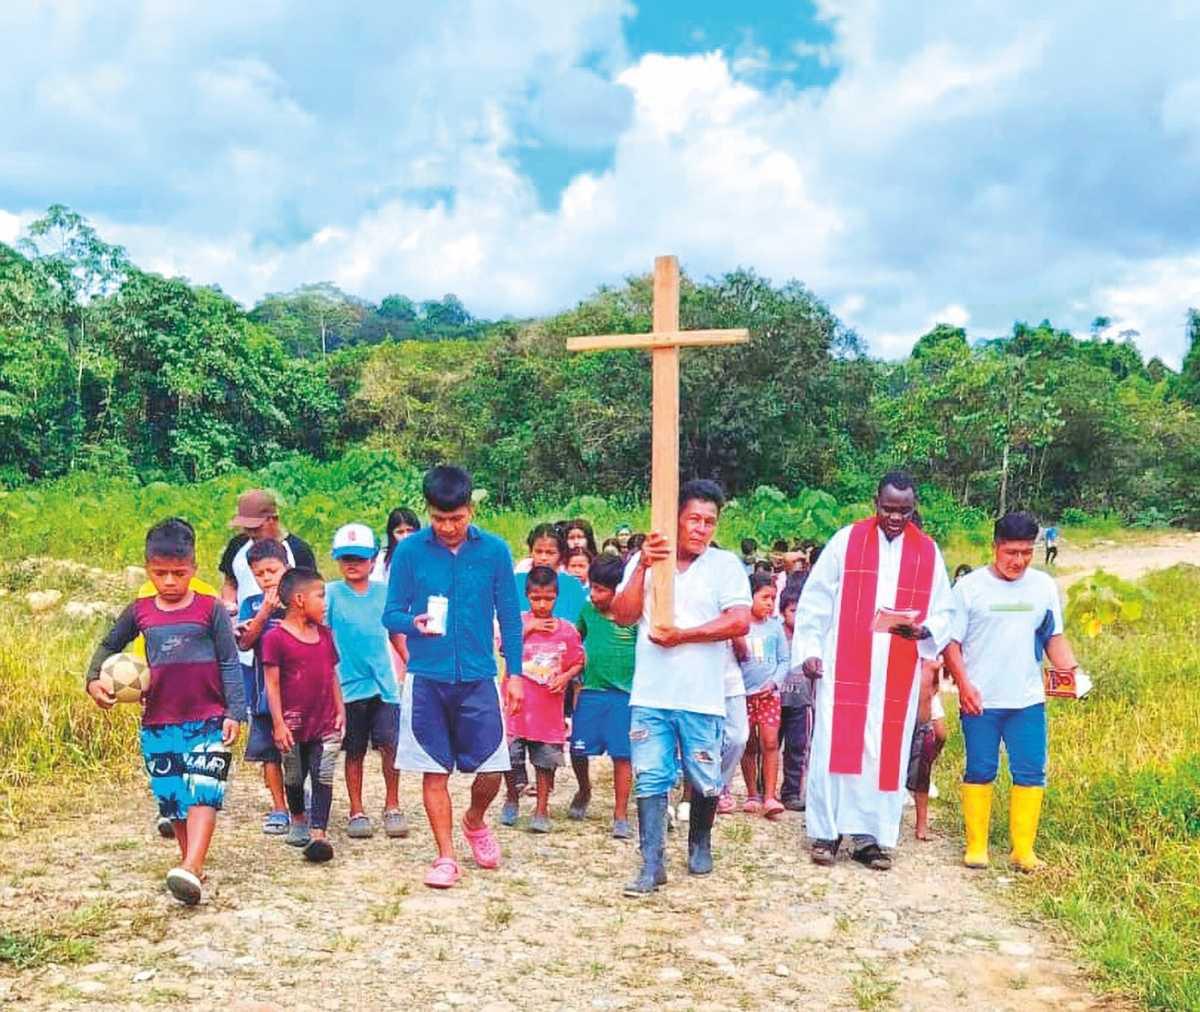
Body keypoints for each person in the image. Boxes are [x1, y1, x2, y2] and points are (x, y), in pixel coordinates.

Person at [793, 471, 956, 871]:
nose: (896, 517)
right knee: (835, 748)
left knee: (884, 754)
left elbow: (944, 610)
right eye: (889, 509)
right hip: (844, 664)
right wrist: (811, 650)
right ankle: (827, 834)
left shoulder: (927, 552)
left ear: (914, 508)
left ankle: (872, 838)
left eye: (904, 510)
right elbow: (816, 599)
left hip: (894, 672)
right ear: (875, 502)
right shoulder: (847, 542)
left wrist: (925, 631)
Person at [85, 519, 243, 906]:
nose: (170, 581)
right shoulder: (139, 612)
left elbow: (229, 661)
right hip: (158, 722)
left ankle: (191, 865)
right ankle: (190, 867)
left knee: (205, 792)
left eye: (179, 573)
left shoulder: (211, 610)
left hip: (208, 717)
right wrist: (93, 680)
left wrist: (235, 710)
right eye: (160, 573)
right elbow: (109, 644)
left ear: (194, 567)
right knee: (173, 800)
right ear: (147, 569)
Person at [383, 465, 524, 889]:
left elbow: (510, 618)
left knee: (493, 770)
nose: (448, 527)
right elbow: (390, 614)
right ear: (429, 512)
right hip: (427, 677)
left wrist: (513, 673)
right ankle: (445, 856)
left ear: (470, 510)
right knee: (433, 770)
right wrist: (413, 622)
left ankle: (475, 820)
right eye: (439, 519)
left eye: (457, 518)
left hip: (479, 676)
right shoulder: (409, 553)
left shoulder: (495, 552)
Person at [610, 480, 751, 896]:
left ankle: (699, 840)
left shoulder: (724, 566)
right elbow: (621, 614)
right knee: (651, 775)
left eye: (709, 522)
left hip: (702, 695)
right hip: (652, 693)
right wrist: (641, 568)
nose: (701, 529)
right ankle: (651, 863)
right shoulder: (648, 558)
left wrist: (683, 635)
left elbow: (739, 620)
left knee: (704, 774)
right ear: (675, 519)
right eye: (693, 519)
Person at [942, 511, 1078, 872]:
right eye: (1010, 552)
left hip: (1027, 699)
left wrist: (1070, 672)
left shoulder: (1043, 587)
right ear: (994, 548)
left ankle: (1023, 850)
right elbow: (951, 644)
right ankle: (976, 846)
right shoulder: (968, 589)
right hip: (981, 699)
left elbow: (1053, 636)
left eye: (1026, 553)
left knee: (1031, 770)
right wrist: (964, 685)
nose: (1018, 561)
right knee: (981, 768)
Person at [326, 524, 408, 840]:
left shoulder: (385, 594)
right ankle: (356, 809)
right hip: (347, 686)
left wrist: (411, 663)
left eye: (360, 558)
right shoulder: (331, 594)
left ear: (373, 560)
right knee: (355, 749)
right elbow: (322, 636)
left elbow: (395, 633)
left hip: (383, 685)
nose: (353, 564)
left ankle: (392, 804)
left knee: (390, 744)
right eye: (346, 558)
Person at [261, 568, 345, 864]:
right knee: (295, 776)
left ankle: (319, 832)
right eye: (320, 596)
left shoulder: (324, 634)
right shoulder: (275, 638)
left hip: (325, 721)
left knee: (323, 774)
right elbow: (271, 684)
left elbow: (332, 673)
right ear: (299, 599)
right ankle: (298, 818)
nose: (325, 603)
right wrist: (278, 723)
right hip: (292, 724)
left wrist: (341, 709)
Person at [500, 567, 584, 832]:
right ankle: (512, 797)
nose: (542, 604)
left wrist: (566, 677)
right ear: (527, 596)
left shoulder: (566, 631)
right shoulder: (517, 623)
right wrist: (529, 628)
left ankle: (541, 809)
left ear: (557, 597)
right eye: (536, 598)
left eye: (548, 598)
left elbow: (579, 661)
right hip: (517, 708)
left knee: (545, 761)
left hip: (548, 710)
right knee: (511, 757)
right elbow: (504, 647)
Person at [568, 554, 638, 838]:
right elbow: (573, 639)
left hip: (625, 695)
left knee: (623, 755)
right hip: (591, 691)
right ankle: (584, 789)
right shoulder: (587, 612)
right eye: (592, 588)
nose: (594, 595)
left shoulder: (633, 617)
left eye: (601, 590)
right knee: (578, 749)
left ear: (618, 591)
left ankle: (620, 813)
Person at [218, 489, 317, 671]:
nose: (251, 533)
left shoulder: (298, 550)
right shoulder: (237, 546)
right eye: (246, 528)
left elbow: (313, 593)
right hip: (248, 643)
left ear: (273, 520)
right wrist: (229, 605)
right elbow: (230, 582)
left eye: (256, 528)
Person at [234, 539, 292, 834]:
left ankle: (299, 799)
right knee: (269, 753)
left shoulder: (300, 599)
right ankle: (279, 807)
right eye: (260, 573)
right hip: (263, 693)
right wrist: (264, 614)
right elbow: (245, 641)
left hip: (297, 693)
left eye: (273, 570)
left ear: (287, 568)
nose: (267, 578)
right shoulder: (251, 605)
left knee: (299, 750)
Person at [734, 572, 789, 819]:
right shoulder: (739, 626)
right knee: (748, 743)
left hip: (769, 696)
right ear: (750, 596)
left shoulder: (775, 627)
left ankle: (769, 795)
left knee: (770, 742)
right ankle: (752, 793)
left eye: (773, 598)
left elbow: (784, 659)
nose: (769, 603)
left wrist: (775, 682)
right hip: (743, 694)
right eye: (765, 597)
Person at [777, 582, 811, 811]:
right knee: (768, 744)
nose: (798, 616)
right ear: (783, 612)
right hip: (775, 700)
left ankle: (791, 792)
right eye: (793, 611)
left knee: (797, 747)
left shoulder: (810, 639)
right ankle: (763, 789)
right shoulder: (775, 634)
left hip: (801, 701)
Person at [906, 658, 948, 840]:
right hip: (901, 696)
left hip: (926, 701)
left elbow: (936, 682)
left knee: (938, 737)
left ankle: (921, 825)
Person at [371, 507, 421, 584]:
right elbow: (376, 585)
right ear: (392, 535)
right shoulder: (383, 558)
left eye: (410, 530)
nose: (406, 536)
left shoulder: (427, 554)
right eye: (400, 532)